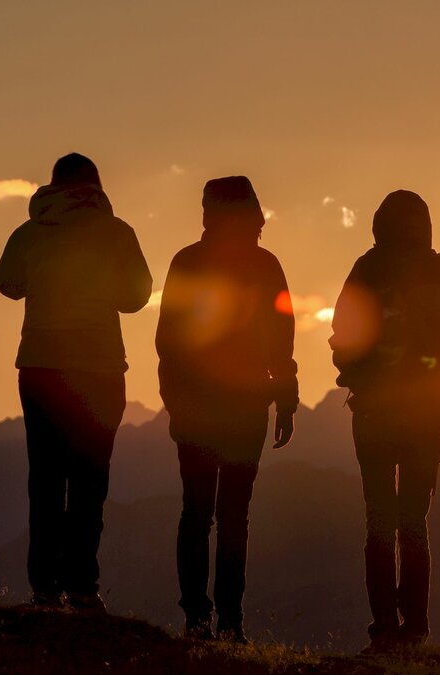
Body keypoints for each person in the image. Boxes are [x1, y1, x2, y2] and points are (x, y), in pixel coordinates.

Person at [329, 190, 440, 651]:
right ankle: (414, 630)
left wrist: (358, 374)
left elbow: (343, 330)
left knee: (379, 521)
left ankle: (384, 630)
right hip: (425, 416)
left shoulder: (368, 270)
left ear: (380, 224)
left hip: (375, 414)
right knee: (413, 522)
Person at [0, 153, 153, 611]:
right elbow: (137, 297)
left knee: (45, 478)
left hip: (41, 367)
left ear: (53, 187)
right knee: (90, 478)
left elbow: (7, 283)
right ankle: (84, 586)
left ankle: (43, 587)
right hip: (100, 368)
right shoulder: (117, 232)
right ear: (96, 188)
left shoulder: (29, 232)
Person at [155, 176, 298, 641]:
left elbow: (168, 341)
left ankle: (197, 618)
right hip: (245, 407)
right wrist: (286, 394)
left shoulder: (188, 262)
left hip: (198, 406)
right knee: (235, 513)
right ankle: (230, 621)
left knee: (196, 511)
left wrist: (174, 399)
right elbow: (282, 337)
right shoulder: (265, 265)